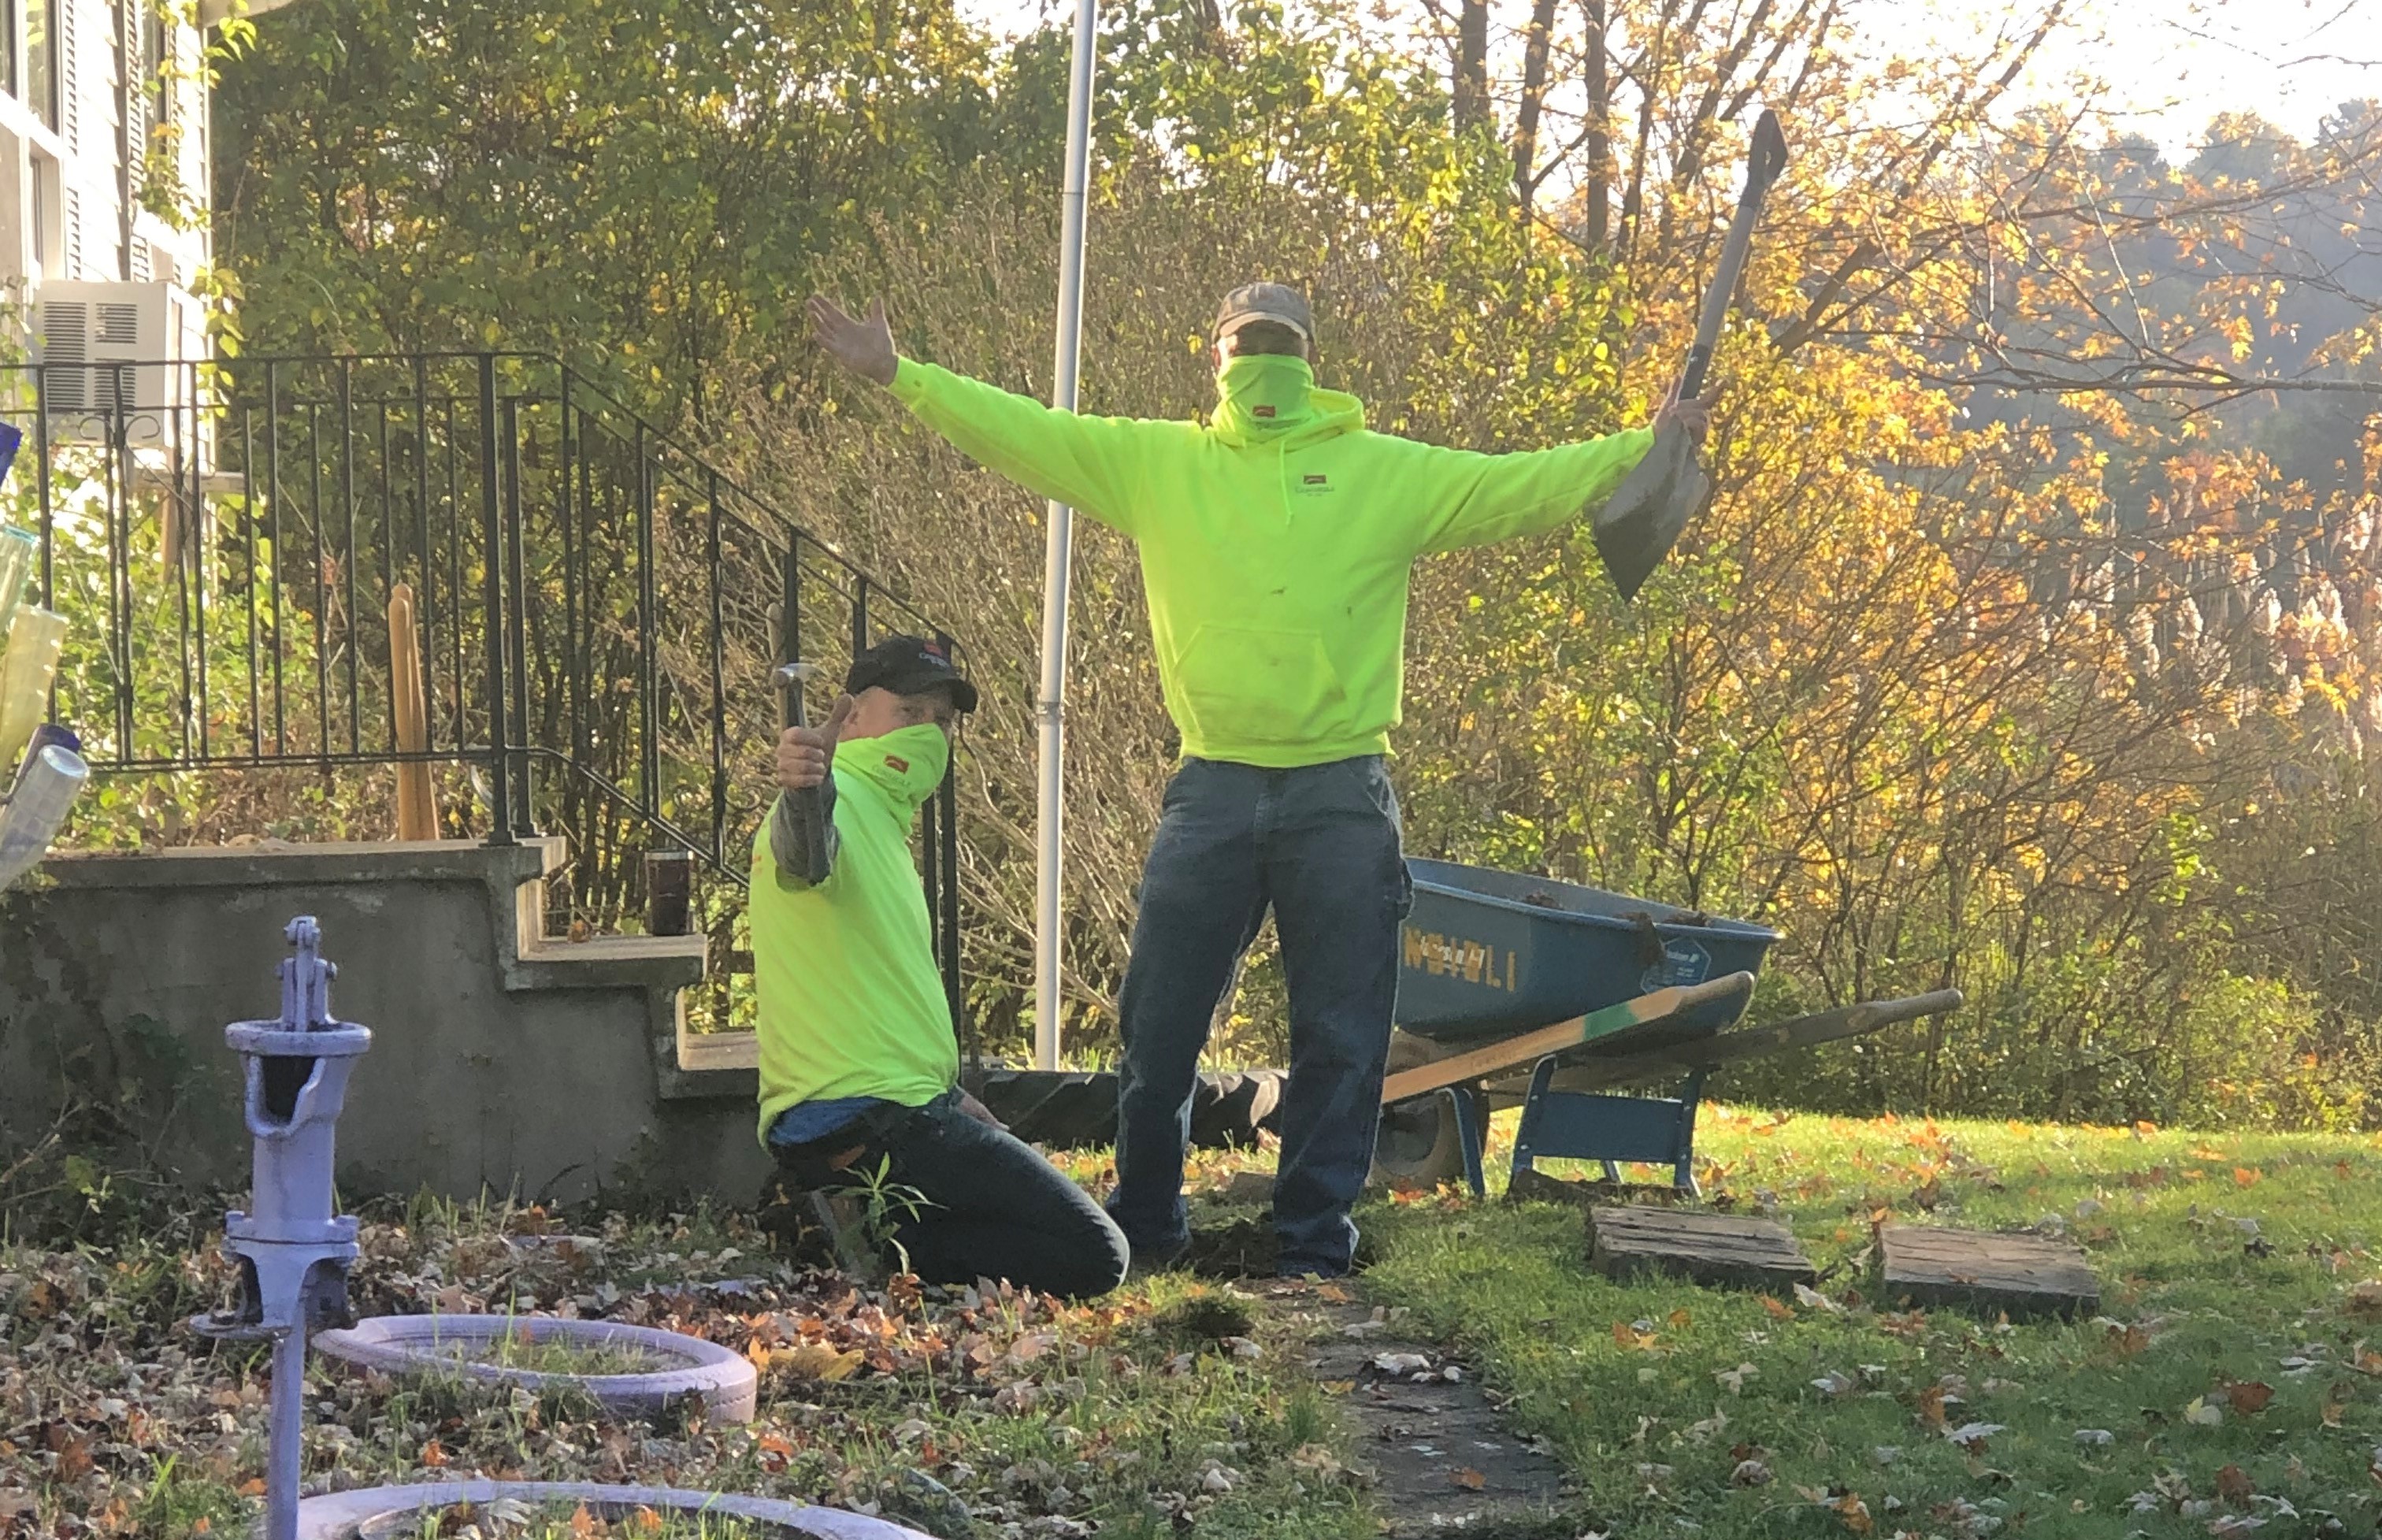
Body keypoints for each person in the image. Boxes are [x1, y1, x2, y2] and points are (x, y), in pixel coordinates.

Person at [807, 284, 1709, 1278]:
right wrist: (900, 374)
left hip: (1337, 785)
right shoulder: (1166, 464)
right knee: (1165, 1022)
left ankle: (1310, 1237)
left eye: (1269, 341)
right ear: (1227, 357)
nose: (1261, 359)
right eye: (1253, 342)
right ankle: (1147, 1226)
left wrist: (1644, 445)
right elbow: (1027, 434)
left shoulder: (1373, 470)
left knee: (1340, 1029)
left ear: (1274, 357)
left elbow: (1521, 485)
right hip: (1218, 783)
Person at [753, 633, 1130, 1298]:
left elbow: (875, 996)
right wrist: (803, 789)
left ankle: (874, 1229)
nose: (930, 733)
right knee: (1099, 1254)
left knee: (1013, 1197)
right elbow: (804, 853)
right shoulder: (839, 798)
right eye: (911, 712)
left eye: (944, 721)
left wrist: (954, 1098)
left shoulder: (884, 822)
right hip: (873, 1115)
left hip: (878, 1107)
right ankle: (885, 1247)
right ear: (855, 714)